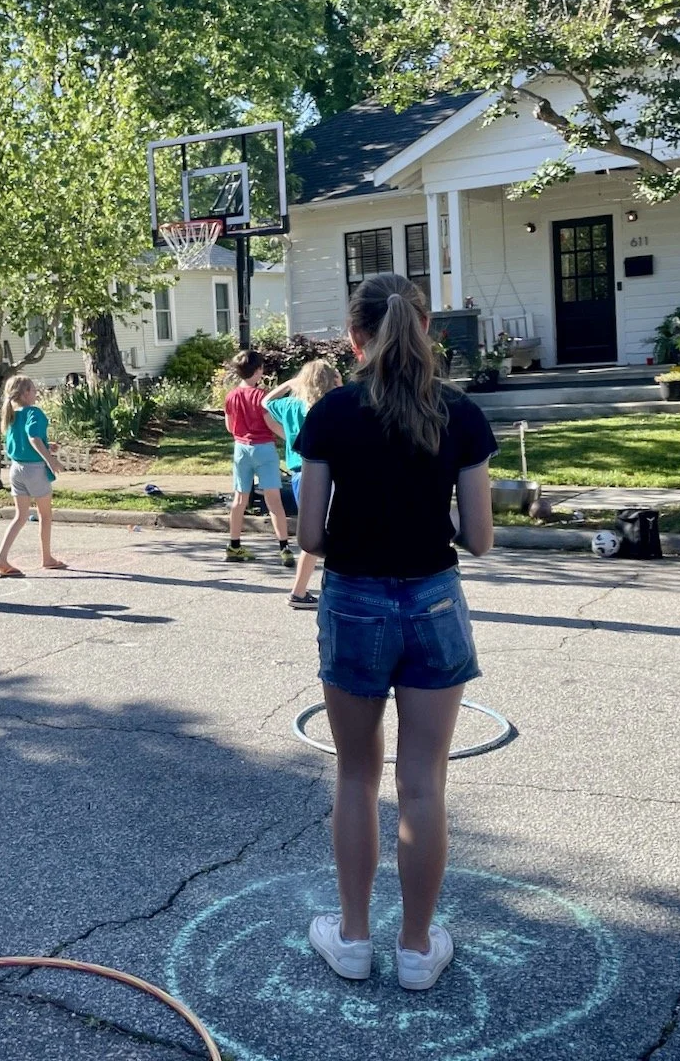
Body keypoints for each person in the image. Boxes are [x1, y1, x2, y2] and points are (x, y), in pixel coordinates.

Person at [294, 273, 496, 992]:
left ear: (354, 337)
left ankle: (352, 938)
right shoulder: (459, 413)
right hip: (434, 599)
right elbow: (479, 539)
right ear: (426, 328)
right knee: (422, 783)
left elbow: (309, 535)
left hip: (353, 597)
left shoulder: (332, 413)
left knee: (356, 774)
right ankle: (416, 949)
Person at [263, 359, 343, 609]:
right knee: (329, 531)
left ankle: (300, 591)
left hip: (298, 472)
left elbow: (265, 402)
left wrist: (288, 384)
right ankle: (308, 591)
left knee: (315, 532)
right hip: (324, 472)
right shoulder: (329, 405)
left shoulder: (290, 405)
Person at [222, 350, 293, 566]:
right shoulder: (261, 396)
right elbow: (272, 424)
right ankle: (284, 548)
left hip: (241, 449)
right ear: (259, 370)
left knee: (239, 499)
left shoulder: (231, 396)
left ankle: (234, 545)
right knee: (273, 501)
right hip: (264, 449)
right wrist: (292, 440)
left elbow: (229, 426)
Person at [0, 374, 65, 576]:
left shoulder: (12, 415)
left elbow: (24, 441)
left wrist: (46, 445)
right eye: (33, 389)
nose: (36, 392)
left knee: (20, 516)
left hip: (16, 469)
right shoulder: (34, 412)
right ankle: (47, 558)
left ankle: (1, 559)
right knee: (45, 515)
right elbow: (33, 437)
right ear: (25, 394)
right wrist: (51, 460)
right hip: (35, 470)